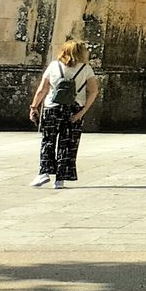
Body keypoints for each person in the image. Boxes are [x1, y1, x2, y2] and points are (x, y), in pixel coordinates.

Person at [27, 39, 100, 190]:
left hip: (52, 108)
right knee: (68, 144)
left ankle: (44, 172)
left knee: (48, 140)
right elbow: (93, 91)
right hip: (74, 109)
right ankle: (60, 179)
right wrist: (82, 112)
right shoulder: (86, 69)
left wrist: (34, 106)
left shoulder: (54, 66)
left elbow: (42, 89)